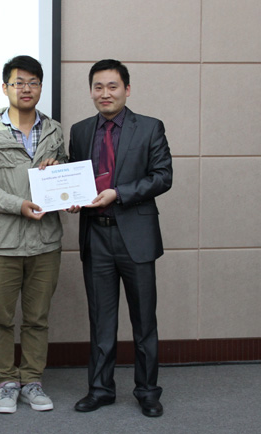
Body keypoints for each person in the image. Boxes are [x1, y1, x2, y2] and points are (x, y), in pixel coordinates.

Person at [68, 59, 172, 417]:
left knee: (144, 322)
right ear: (91, 91)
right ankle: (100, 389)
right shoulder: (81, 131)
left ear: (127, 89)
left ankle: (147, 391)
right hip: (95, 236)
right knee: (101, 320)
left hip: (135, 237)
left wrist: (119, 193)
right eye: (98, 87)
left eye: (112, 86)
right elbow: (76, 177)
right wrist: (70, 196)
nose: (105, 93)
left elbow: (163, 176)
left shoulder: (150, 127)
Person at [0, 55, 67, 413]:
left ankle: (33, 380)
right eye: (18, 82)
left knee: (37, 318)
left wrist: (60, 173)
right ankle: (7, 382)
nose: (26, 88)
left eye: (33, 82)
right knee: (0, 318)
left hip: (45, 241)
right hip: (2, 242)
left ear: (41, 87)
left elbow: (65, 173)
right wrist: (17, 205)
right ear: (5, 87)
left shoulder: (54, 130)